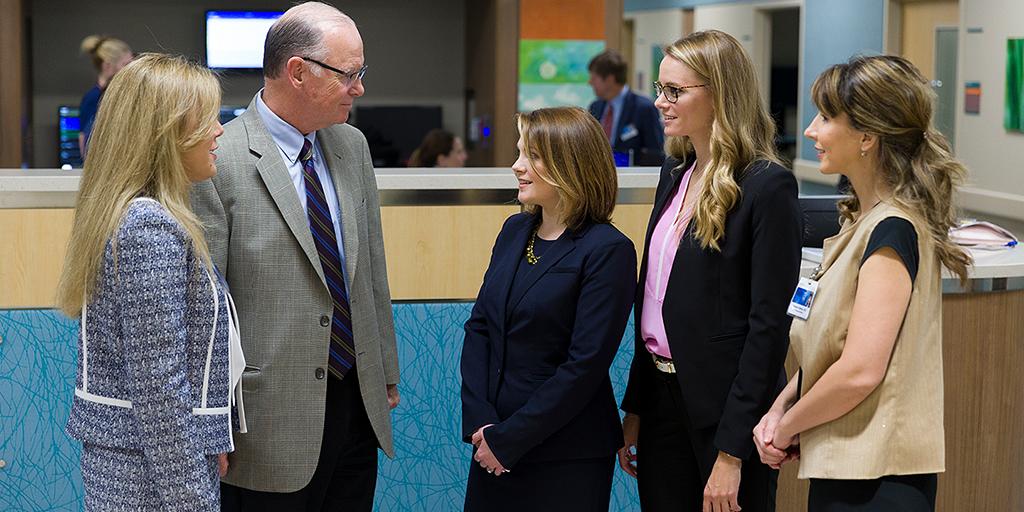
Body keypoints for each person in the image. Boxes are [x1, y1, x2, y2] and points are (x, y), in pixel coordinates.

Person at [191, 3, 400, 510]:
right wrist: (209, 420)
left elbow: (370, 268)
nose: (359, 88)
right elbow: (207, 307)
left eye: (361, 73)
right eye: (349, 74)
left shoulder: (351, 146)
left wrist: (385, 371)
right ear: (298, 72)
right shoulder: (220, 156)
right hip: (266, 419)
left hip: (356, 402)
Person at [753, 55, 971, 512]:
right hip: (846, 464)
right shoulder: (863, 223)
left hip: (878, 481)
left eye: (826, 117)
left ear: (868, 137)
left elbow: (859, 372)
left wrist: (789, 425)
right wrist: (779, 410)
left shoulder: (893, 230)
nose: (810, 131)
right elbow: (832, 351)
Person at [617, 30, 802, 512]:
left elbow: (767, 329)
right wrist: (635, 406)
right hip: (661, 400)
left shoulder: (766, 186)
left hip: (724, 411)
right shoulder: (676, 173)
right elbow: (653, 301)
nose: (659, 102)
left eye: (674, 91)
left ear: (720, 92)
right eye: (660, 89)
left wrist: (732, 451)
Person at [57, 53, 238, 510]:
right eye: (209, 120)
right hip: (146, 476)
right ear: (169, 133)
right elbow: (159, 386)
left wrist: (206, 439)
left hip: (147, 463)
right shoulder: (148, 227)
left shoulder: (145, 218)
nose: (220, 131)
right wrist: (191, 496)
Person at [460, 106, 637, 511]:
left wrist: (511, 439)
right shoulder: (514, 230)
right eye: (521, 152)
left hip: (565, 452)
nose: (517, 166)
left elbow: (584, 366)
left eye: (532, 157)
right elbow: (480, 328)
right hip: (492, 441)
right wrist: (481, 423)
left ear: (569, 164)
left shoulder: (608, 250)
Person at [587, 49, 664, 165]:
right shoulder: (595, 107)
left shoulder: (644, 108)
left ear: (609, 79)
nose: (590, 83)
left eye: (594, 78)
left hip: (633, 178)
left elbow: (656, 154)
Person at [78, 35, 133, 156]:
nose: (131, 70)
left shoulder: (125, 96)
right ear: (107, 66)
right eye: (126, 65)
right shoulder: (94, 98)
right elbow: (85, 141)